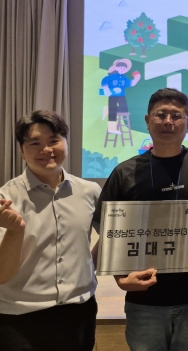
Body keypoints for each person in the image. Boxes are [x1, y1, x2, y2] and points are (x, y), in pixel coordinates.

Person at [92, 88, 188, 351]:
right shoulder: (124, 173)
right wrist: (121, 279)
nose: (168, 121)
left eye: (176, 116)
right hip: (145, 302)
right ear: (147, 120)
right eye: (161, 115)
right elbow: (109, 233)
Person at [0, 110, 101, 351]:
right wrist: (15, 231)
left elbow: (110, 236)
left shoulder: (90, 191)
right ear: (21, 150)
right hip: (20, 318)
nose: (46, 150)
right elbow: (2, 274)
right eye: (35, 143)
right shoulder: (6, 198)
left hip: (79, 312)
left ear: (66, 142)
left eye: (54, 140)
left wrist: (89, 265)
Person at [100, 58, 141, 134]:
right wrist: (106, 89)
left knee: (124, 110)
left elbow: (131, 83)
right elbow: (104, 81)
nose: (122, 69)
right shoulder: (112, 76)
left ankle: (107, 109)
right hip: (113, 95)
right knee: (112, 112)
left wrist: (137, 78)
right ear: (116, 68)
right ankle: (112, 128)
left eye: (124, 68)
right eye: (121, 68)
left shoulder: (124, 77)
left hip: (122, 95)